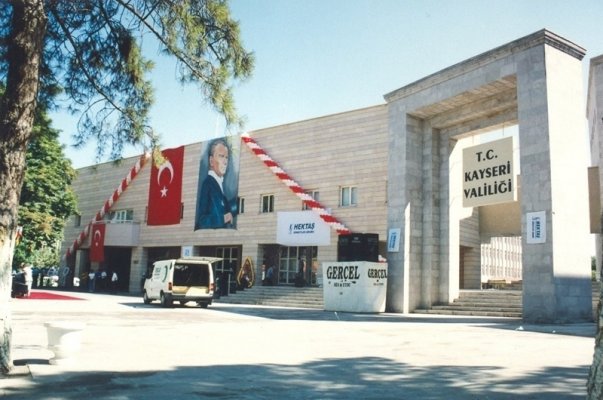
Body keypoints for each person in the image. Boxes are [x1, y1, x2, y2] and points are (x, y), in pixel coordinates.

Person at [195, 139, 237, 229]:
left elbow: (226, 207)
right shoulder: (208, 184)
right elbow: (202, 221)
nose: (225, 162)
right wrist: (224, 218)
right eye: (221, 156)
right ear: (211, 161)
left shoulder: (218, 185)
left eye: (226, 157)